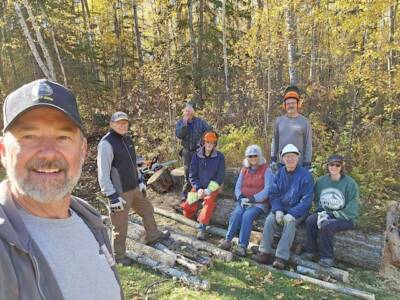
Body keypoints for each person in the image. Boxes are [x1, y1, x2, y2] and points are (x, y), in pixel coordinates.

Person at [0, 79, 123, 299]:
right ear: (3, 151)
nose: (48, 152)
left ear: (83, 150)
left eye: (63, 137)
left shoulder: (92, 222)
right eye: (29, 137)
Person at [97, 111, 169, 266]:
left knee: (148, 210)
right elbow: (103, 174)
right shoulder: (106, 144)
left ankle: (153, 235)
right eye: (119, 123)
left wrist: (140, 179)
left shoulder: (128, 139)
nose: (123, 126)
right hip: (119, 193)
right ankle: (118, 256)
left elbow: (132, 164)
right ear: (112, 124)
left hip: (135, 188)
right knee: (120, 226)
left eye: (125, 123)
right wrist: (112, 196)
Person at [252, 144, 314, 269]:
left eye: (293, 156)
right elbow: (273, 194)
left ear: (298, 158)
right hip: (281, 207)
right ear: (282, 159)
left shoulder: (306, 176)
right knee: (269, 220)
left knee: (290, 223)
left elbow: (307, 200)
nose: (290, 159)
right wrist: (278, 210)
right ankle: (264, 252)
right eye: (287, 156)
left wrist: (292, 213)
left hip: (298, 210)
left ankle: (280, 258)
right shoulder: (279, 173)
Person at [302, 155, 359, 267]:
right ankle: (310, 251)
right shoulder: (321, 182)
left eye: (338, 165)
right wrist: (321, 213)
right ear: (327, 166)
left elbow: (352, 209)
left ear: (342, 167)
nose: (334, 167)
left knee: (327, 225)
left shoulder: (350, 184)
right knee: (310, 220)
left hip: (345, 217)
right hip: (326, 213)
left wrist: (332, 214)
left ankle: (327, 257)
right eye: (331, 164)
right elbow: (318, 200)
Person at [219, 145, 274, 256]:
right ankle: (228, 240)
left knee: (247, 216)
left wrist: (254, 199)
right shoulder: (244, 169)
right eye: (250, 156)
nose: (253, 158)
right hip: (244, 201)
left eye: (255, 155)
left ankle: (242, 246)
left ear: (260, 156)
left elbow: (268, 189)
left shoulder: (266, 170)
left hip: (259, 203)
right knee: (236, 213)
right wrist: (240, 197)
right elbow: (238, 186)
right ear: (247, 157)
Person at [180, 131, 225, 240]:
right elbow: (192, 175)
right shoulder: (197, 156)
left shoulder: (220, 157)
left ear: (215, 144)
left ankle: (202, 228)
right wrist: (199, 188)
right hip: (199, 186)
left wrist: (209, 190)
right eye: (207, 142)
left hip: (212, 187)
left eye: (212, 142)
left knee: (209, 201)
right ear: (203, 143)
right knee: (187, 208)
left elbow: (220, 176)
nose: (209, 144)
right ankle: (196, 212)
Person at [175, 103, 212, 201]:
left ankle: (198, 193)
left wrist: (203, 141)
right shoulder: (180, 122)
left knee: (199, 172)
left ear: (192, 113)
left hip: (198, 151)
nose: (187, 113)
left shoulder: (200, 122)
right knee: (187, 173)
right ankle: (185, 192)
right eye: (186, 111)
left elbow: (210, 130)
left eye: (189, 112)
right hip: (186, 151)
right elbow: (179, 135)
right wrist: (185, 124)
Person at [270, 86, 312, 171]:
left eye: (293, 103)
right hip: (282, 164)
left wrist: (307, 162)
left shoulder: (305, 122)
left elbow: (308, 144)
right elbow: (275, 140)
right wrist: (273, 159)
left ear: (297, 104)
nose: (290, 106)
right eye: (288, 104)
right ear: (284, 105)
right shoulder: (279, 121)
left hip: (299, 164)